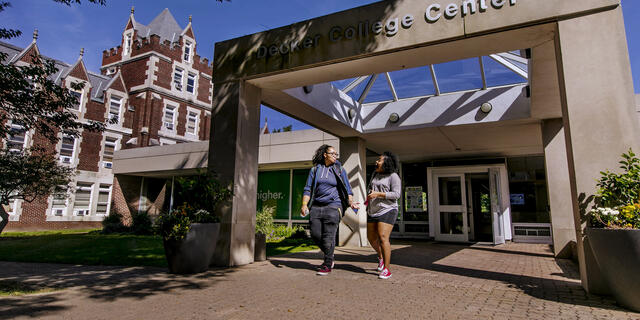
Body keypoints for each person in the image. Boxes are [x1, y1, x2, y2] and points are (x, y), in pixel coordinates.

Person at [301, 144, 359, 276]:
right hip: (316, 206)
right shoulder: (315, 170)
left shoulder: (339, 169)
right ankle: (330, 254)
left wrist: (350, 202)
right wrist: (304, 204)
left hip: (334, 205)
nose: (335, 156)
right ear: (325, 155)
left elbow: (347, 188)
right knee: (315, 235)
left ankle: (327, 263)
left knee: (328, 237)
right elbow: (307, 189)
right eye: (332, 153)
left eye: (336, 154)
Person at [366, 152, 401, 279]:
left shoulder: (393, 176)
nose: (376, 162)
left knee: (382, 237)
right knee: (371, 238)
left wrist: (379, 194)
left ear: (386, 163)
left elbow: (396, 194)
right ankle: (380, 257)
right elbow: (371, 189)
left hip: (388, 209)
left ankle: (387, 269)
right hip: (372, 210)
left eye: (379, 160)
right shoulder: (375, 174)